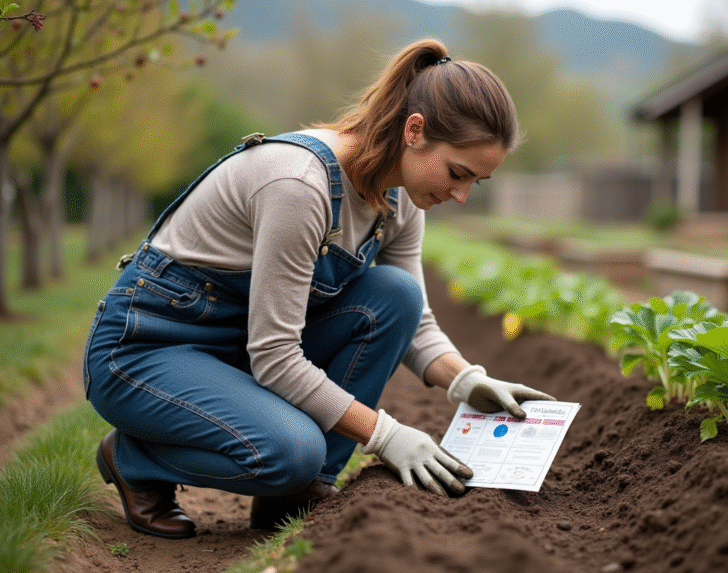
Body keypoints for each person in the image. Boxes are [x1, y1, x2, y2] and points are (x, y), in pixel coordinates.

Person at [83, 38, 555, 539]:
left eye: (475, 182)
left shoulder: (403, 201)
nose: (460, 195)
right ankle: (135, 459)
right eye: (457, 173)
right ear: (414, 131)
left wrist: (466, 380)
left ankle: (297, 492)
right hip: (148, 349)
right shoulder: (300, 186)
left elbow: (412, 318)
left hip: (232, 346)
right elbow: (275, 355)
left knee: (393, 295)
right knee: (291, 453)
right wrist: (385, 434)